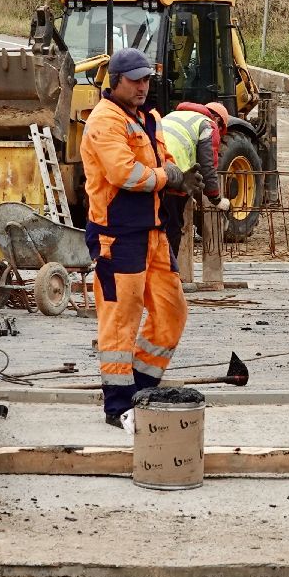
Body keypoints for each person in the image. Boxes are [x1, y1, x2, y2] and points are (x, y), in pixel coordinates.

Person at [80, 47, 189, 428]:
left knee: (171, 311)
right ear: (117, 81)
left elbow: (161, 160)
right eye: (135, 80)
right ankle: (118, 405)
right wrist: (166, 178)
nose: (143, 86)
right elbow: (125, 175)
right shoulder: (104, 122)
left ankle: (143, 388)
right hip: (118, 234)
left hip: (153, 232)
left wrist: (172, 171)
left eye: (147, 79)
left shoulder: (150, 118)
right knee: (120, 319)